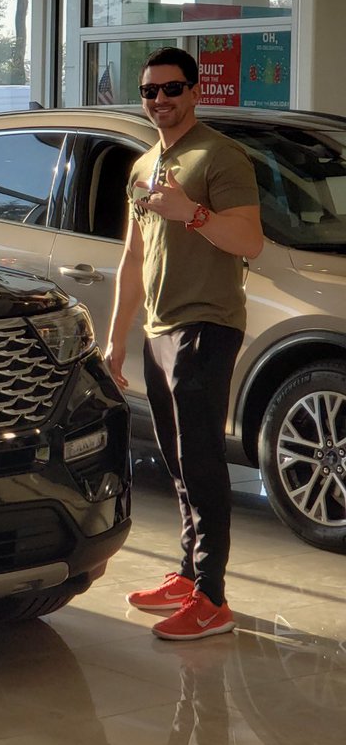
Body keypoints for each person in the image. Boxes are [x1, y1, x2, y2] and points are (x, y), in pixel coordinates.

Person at [106, 46, 263, 641]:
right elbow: (132, 258)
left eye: (172, 89)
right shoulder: (143, 166)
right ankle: (189, 574)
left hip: (207, 323)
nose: (160, 100)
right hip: (159, 328)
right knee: (175, 458)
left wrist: (191, 213)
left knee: (200, 457)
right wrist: (115, 339)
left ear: (195, 92)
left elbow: (250, 241)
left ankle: (212, 599)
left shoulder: (221, 156)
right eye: (150, 91)